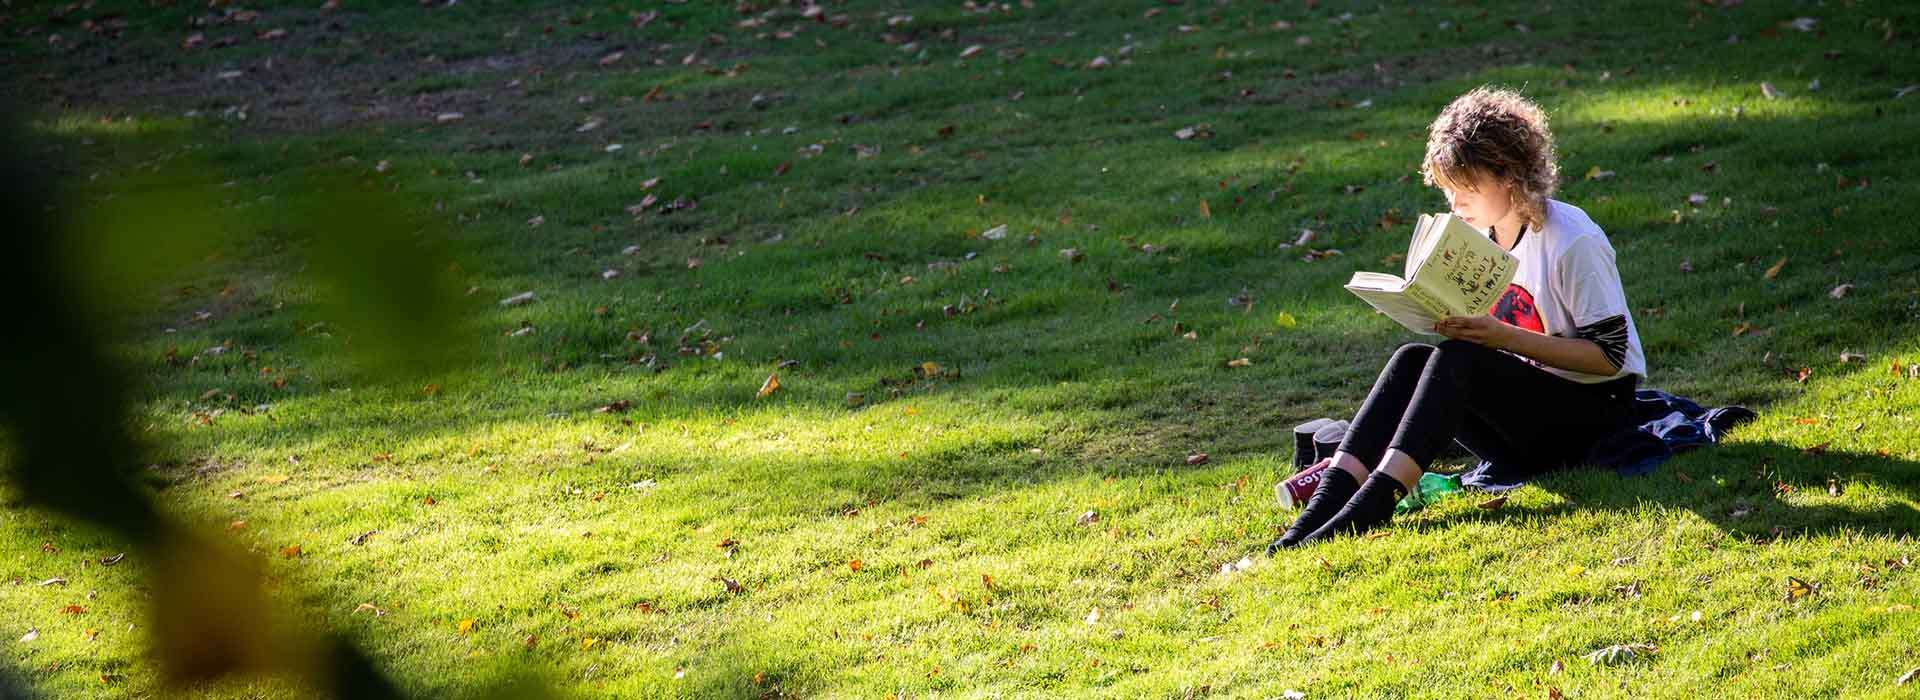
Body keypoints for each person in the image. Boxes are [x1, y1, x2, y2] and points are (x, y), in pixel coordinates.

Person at [1267, 86, 1648, 553]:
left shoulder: (1571, 240)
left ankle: (1372, 506)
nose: (1454, 202)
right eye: (1448, 188)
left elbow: (1610, 358)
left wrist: (1498, 337)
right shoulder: (1478, 235)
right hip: (1524, 423)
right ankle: (1321, 509)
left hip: (1594, 418)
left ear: (1507, 174)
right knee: (1413, 358)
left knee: (1462, 357)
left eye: (1465, 187)